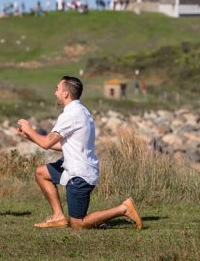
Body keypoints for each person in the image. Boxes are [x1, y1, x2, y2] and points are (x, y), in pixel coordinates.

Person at [16, 76, 142, 230]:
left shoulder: (71, 115)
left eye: (57, 89)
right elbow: (64, 146)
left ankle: (123, 209)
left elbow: (46, 143)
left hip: (80, 174)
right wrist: (30, 137)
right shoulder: (81, 111)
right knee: (41, 173)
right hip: (75, 166)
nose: (55, 92)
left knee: (78, 224)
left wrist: (29, 130)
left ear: (66, 94)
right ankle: (58, 217)